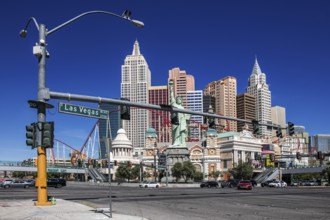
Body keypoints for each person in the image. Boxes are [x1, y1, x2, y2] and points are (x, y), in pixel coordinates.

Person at [169, 79, 190, 146]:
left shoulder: (183, 108)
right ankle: (176, 142)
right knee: (176, 132)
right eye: (178, 99)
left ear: (182, 101)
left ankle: (182, 143)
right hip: (176, 121)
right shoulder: (174, 105)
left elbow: (186, 117)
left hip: (182, 121)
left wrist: (188, 115)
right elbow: (171, 97)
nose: (179, 100)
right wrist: (171, 87)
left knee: (182, 132)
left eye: (180, 99)